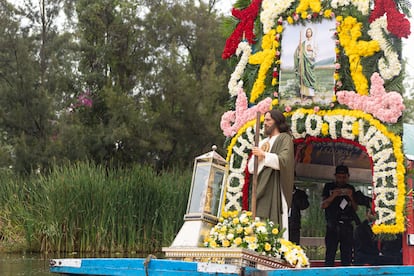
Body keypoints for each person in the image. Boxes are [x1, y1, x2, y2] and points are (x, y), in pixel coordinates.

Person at [248, 109, 295, 239]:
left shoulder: (284, 138)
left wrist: (264, 155)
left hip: (275, 188)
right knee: (259, 223)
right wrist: (258, 156)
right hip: (261, 188)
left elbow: (285, 161)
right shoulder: (262, 142)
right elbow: (252, 168)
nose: (265, 123)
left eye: (268, 120)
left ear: (277, 122)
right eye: (264, 120)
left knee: (273, 226)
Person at [321, 165, 358, 266]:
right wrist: (333, 196)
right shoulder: (329, 187)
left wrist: (350, 196)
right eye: (339, 177)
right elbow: (323, 205)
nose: (341, 179)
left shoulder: (350, 188)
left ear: (348, 177)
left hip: (346, 224)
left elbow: (355, 208)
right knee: (330, 253)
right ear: (335, 176)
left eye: (344, 177)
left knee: (347, 254)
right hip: (332, 224)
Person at [294, 27, 317, 101]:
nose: (308, 33)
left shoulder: (314, 42)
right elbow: (299, 52)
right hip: (304, 62)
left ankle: (312, 95)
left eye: (309, 32)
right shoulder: (303, 43)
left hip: (310, 61)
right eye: (307, 32)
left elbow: (316, 51)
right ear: (306, 34)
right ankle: (306, 95)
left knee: (310, 77)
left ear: (311, 33)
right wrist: (299, 48)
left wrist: (312, 50)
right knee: (304, 77)